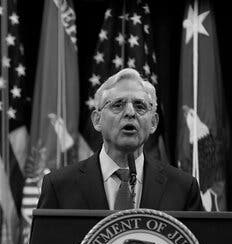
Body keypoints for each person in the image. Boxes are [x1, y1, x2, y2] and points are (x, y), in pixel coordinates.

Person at [37, 68, 203, 211]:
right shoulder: (59, 187)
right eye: (118, 105)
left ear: (153, 123)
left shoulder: (183, 189)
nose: (130, 112)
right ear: (97, 120)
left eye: (140, 106)